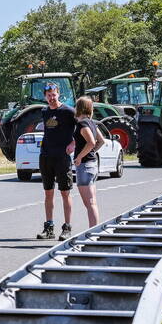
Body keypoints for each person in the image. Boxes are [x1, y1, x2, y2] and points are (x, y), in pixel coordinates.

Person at [36, 82, 77, 241]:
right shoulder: (44, 111)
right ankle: (49, 228)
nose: (52, 98)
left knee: (65, 193)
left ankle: (67, 228)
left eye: (54, 95)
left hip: (62, 157)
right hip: (46, 156)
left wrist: (74, 143)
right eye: (49, 95)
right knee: (48, 193)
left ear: (58, 94)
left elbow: (82, 125)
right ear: (45, 96)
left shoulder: (68, 111)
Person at [72, 96, 105, 228]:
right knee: (92, 202)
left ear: (78, 107)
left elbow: (91, 142)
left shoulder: (82, 124)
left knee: (90, 203)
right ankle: (94, 229)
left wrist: (80, 156)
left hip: (85, 166)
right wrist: (92, 152)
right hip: (92, 164)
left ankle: (93, 231)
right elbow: (101, 141)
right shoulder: (92, 123)